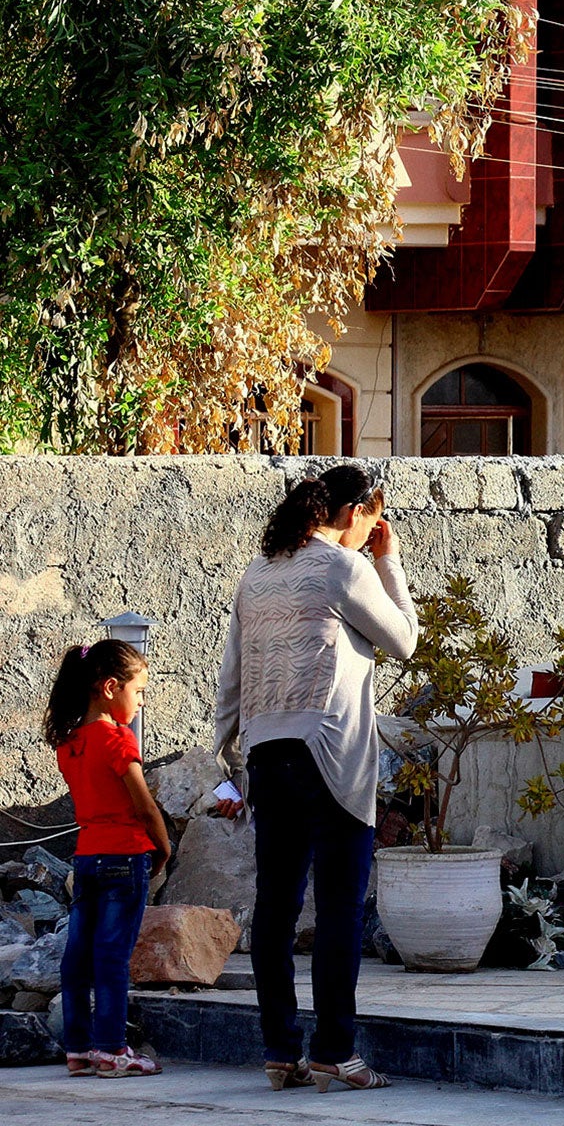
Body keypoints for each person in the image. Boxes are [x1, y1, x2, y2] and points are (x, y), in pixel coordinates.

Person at [216, 464, 416, 1092]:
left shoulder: (257, 573)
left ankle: (281, 1051)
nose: (372, 529)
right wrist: (391, 563)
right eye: (372, 516)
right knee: (337, 909)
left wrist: (228, 757)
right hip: (328, 753)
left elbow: (231, 675)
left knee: (273, 910)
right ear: (356, 512)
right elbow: (405, 639)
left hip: (265, 750)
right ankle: (336, 1052)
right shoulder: (343, 567)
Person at [46, 637, 172, 1079]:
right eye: (138, 692)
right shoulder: (118, 740)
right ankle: (112, 1049)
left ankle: (78, 1048)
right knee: (113, 957)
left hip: (86, 858)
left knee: (79, 956)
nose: (139, 701)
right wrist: (164, 845)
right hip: (125, 855)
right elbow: (143, 805)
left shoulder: (71, 742)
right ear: (110, 687)